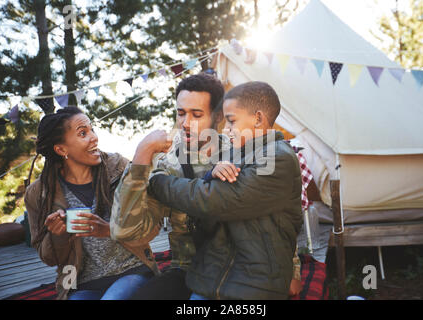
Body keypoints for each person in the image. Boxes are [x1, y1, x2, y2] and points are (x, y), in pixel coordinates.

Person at [147, 81, 303, 300]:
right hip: (215, 277)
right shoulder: (235, 155)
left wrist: (158, 182)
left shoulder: (277, 159)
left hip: (255, 283)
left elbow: (212, 201)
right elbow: (210, 210)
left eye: (231, 122)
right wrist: (211, 175)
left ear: (257, 119)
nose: (226, 130)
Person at [110, 73, 229, 299]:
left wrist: (292, 268)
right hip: (186, 267)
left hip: (233, 267)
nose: (185, 123)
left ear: (218, 116)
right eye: (181, 113)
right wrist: (142, 154)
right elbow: (124, 231)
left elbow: (273, 213)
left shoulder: (240, 155)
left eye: (196, 115)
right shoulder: (167, 165)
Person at [24, 107, 160, 300]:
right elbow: (49, 258)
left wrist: (109, 230)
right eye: (83, 133)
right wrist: (59, 236)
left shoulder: (117, 168)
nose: (94, 137)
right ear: (61, 149)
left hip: (132, 270)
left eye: (91, 129)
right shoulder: (39, 193)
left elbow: (153, 226)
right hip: (78, 282)